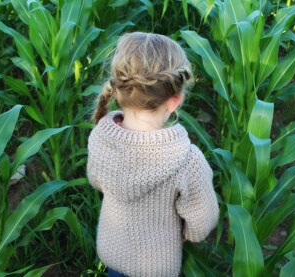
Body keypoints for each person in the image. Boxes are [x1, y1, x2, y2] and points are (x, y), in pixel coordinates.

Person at [86, 32, 219, 277]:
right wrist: (183, 234)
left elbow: (96, 180)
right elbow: (201, 225)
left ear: (117, 91)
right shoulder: (187, 161)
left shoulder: (100, 138)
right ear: (175, 100)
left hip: (112, 254)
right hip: (158, 267)